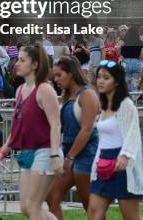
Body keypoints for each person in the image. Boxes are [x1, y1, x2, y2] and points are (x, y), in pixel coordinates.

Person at [0, 44, 63, 219]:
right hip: (27, 152)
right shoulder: (19, 91)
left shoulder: (45, 90)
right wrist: (1, 154)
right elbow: (16, 129)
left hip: (45, 152)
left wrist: (54, 155)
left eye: (23, 60)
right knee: (25, 207)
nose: (17, 63)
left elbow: (56, 124)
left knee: (33, 206)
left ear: (35, 64)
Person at [88, 61, 143, 220]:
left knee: (131, 217)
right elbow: (103, 139)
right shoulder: (104, 105)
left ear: (117, 81)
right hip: (103, 163)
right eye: (99, 77)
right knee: (94, 213)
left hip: (123, 166)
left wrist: (125, 155)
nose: (100, 81)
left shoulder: (126, 105)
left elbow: (133, 133)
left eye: (106, 78)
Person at [47, 56, 99, 220]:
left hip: (86, 155)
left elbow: (87, 129)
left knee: (89, 204)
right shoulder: (67, 95)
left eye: (59, 75)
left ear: (71, 73)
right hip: (70, 154)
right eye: (54, 76)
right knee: (52, 196)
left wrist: (70, 156)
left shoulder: (87, 94)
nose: (56, 80)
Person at [120, 27, 143, 93]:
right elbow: (142, 56)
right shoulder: (140, 42)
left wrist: (120, 55)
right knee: (134, 84)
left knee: (126, 84)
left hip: (125, 62)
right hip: (136, 62)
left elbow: (117, 48)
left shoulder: (123, 41)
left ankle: (128, 101)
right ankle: (133, 101)